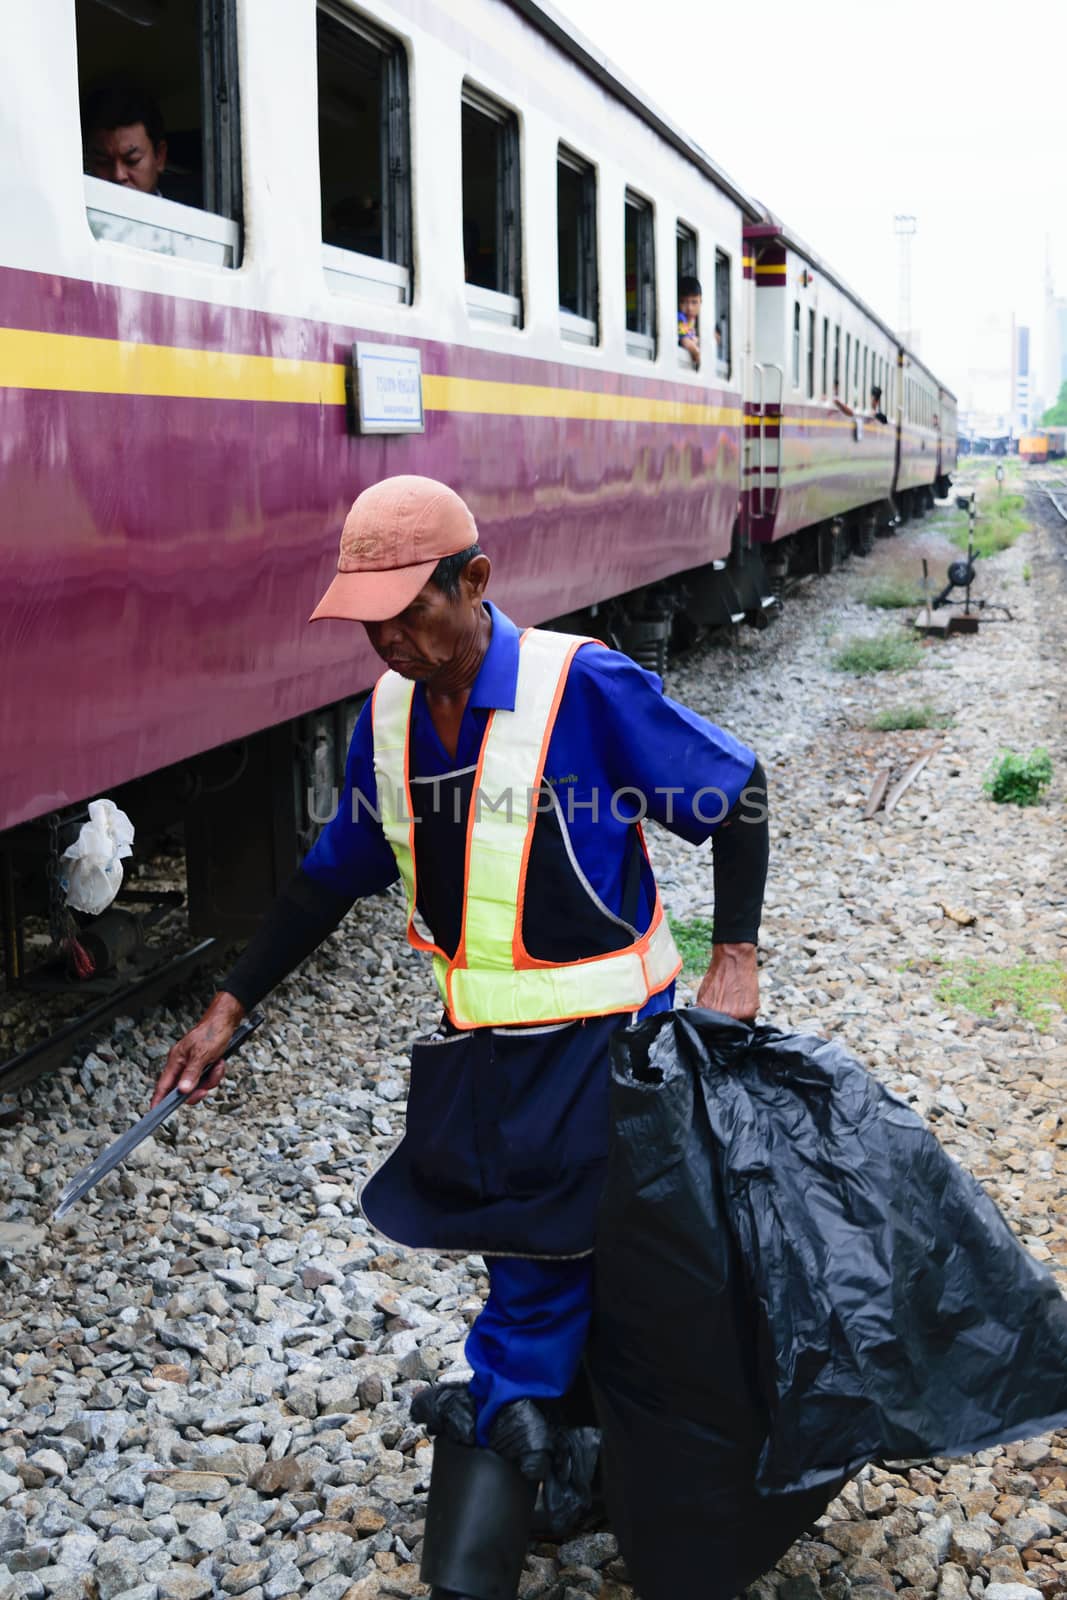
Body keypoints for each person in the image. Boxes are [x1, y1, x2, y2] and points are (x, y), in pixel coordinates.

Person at [152, 475, 768, 1600]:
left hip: (609, 1048)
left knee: (547, 1282)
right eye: (369, 622)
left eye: (408, 613)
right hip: (479, 1062)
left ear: (474, 582)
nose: (388, 640)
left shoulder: (580, 688)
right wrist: (230, 1004)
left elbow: (738, 795)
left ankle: (475, 1556)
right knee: (564, 1263)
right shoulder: (385, 724)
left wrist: (735, 959)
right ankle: (581, 1458)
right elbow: (323, 881)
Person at [80, 80, 168, 195]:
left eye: (132, 161)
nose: (118, 175)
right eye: (103, 162)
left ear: (160, 156)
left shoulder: (187, 213)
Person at [677, 274, 702, 368]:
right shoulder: (680, 318)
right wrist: (695, 351)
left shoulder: (693, 321)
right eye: (683, 302)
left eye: (694, 302)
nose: (689, 308)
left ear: (701, 302)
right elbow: (685, 340)